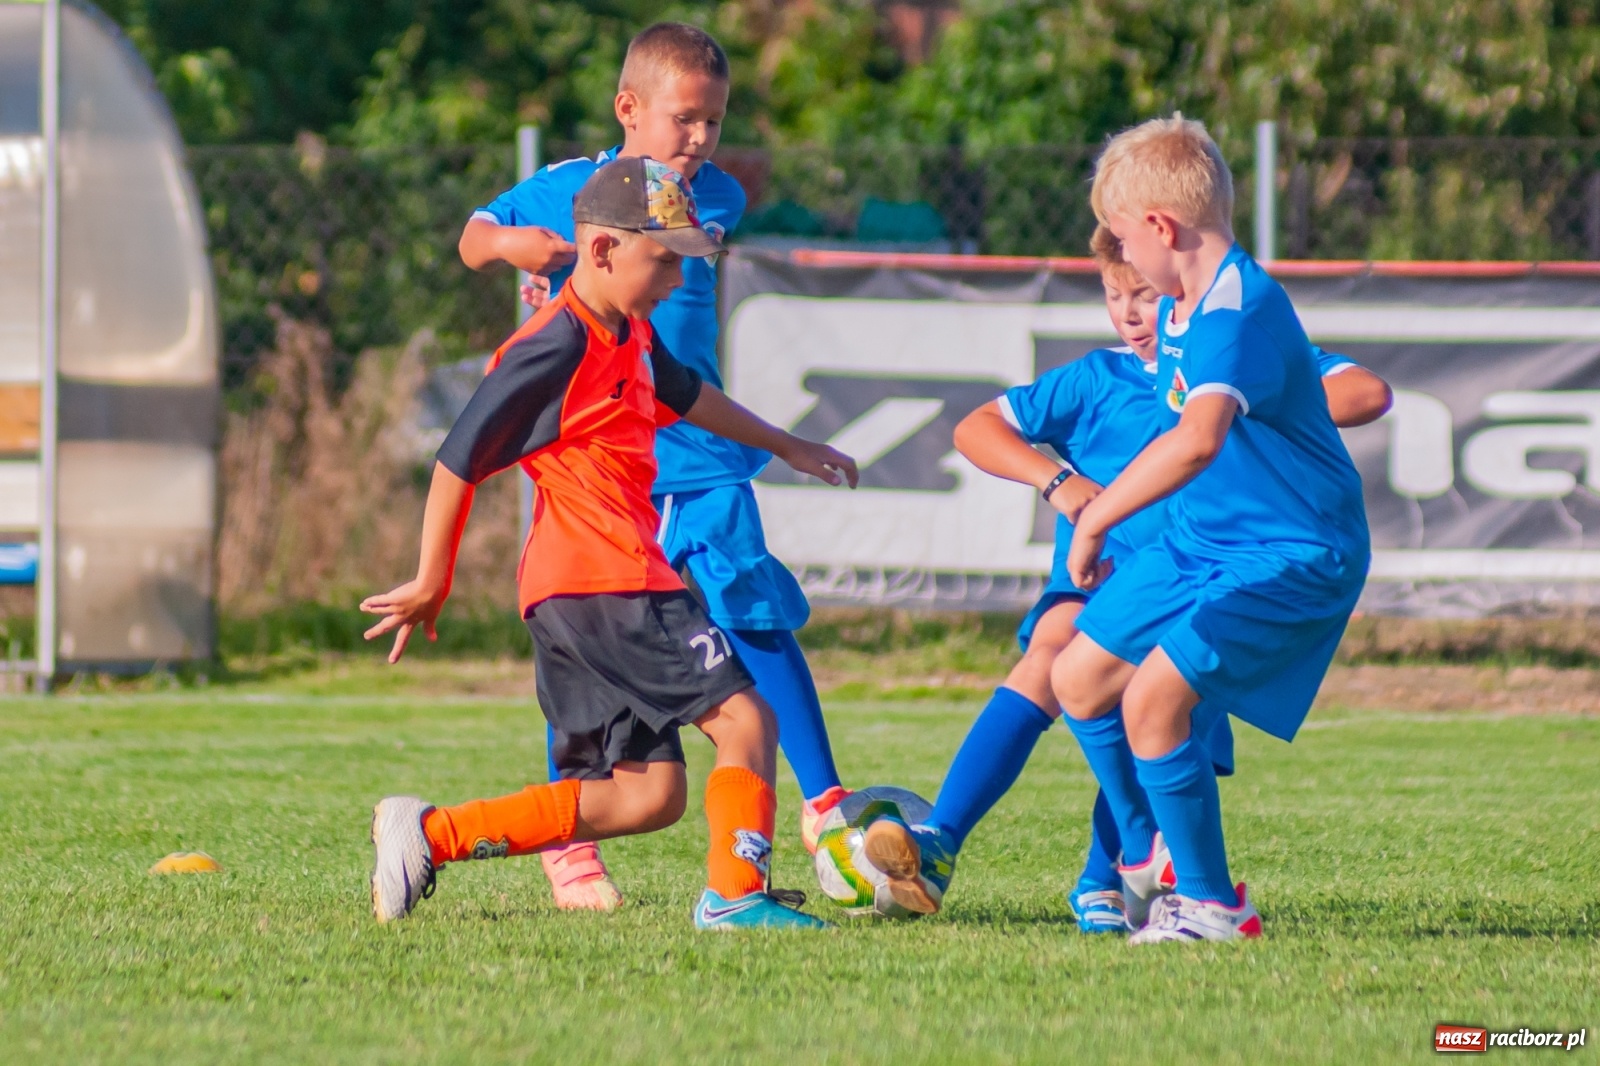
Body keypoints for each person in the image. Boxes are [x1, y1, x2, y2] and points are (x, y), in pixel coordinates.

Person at [365, 158, 857, 931]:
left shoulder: (626, 330)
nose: (676, 278)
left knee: (647, 796)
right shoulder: (553, 346)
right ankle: (736, 898)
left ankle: (429, 835)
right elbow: (457, 458)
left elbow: (688, 396)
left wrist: (788, 446)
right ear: (600, 252)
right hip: (610, 583)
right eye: (663, 260)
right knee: (746, 722)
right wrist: (433, 579)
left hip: (573, 595)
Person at [865, 218, 1387, 934]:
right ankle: (946, 841)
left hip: (1205, 573)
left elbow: (1365, 391)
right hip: (1113, 574)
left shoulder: (1221, 347)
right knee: (1058, 658)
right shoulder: (1097, 379)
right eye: (1116, 296)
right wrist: (1059, 484)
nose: (1133, 313)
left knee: (1154, 699)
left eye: (1144, 293)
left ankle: (1111, 876)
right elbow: (975, 427)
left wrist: (1243, 405)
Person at [459, 22, 849, 911]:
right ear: (628, 109)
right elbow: (475, 234)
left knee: (751, 606)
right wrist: (513, 249)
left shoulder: (718, 197)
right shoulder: (570, 191)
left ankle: (824, 810)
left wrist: (783, 443)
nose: (701, 140)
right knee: (588, 643)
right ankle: (570, 837)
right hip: (599, 462)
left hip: (701, 451)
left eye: (714, 120)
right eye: (684, 120)